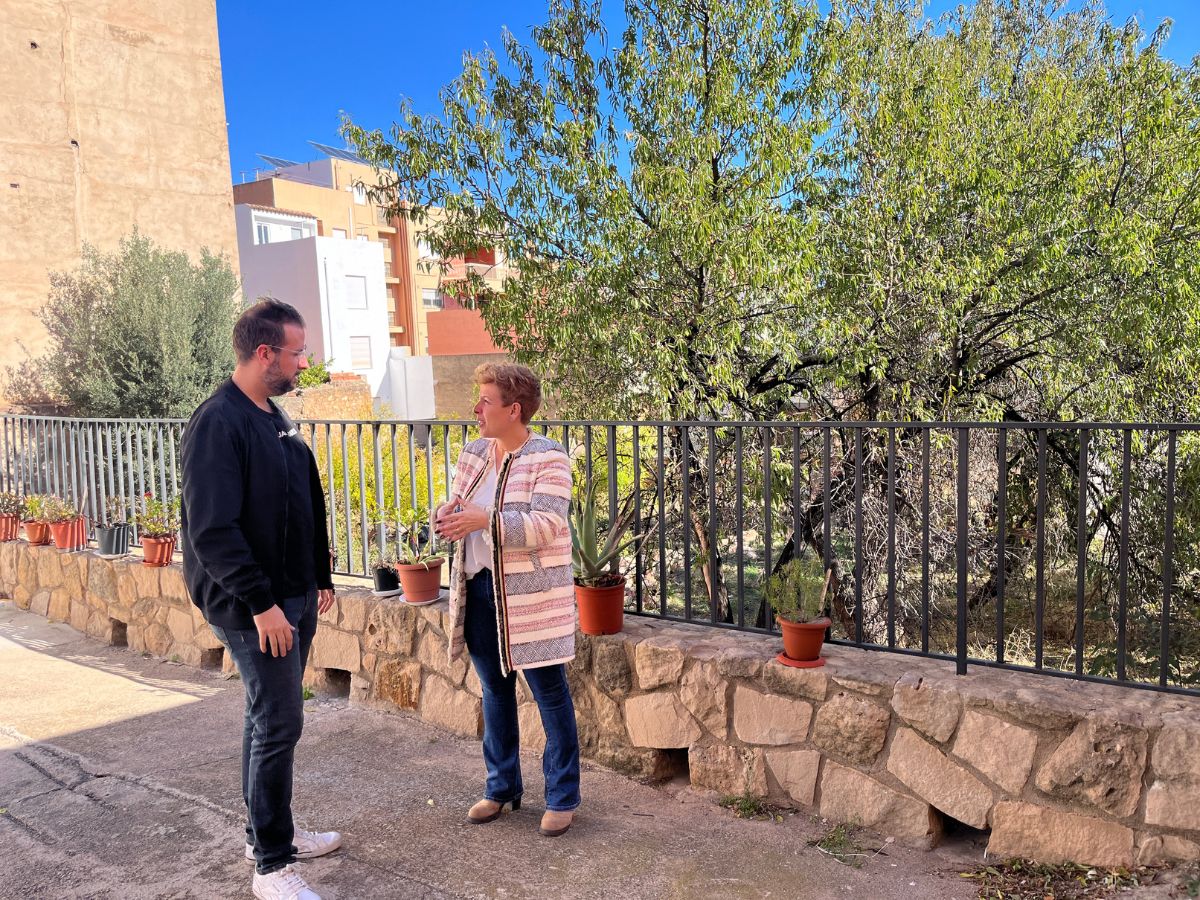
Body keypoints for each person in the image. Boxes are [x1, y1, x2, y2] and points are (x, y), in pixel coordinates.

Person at [181, 299, 341, 900]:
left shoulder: (274, 415)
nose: (305, 362)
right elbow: (213, 531)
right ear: (265, 352)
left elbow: (303, 494)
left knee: (264, 715)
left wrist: (317, 572)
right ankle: (272, 865)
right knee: (280, 720)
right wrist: (262, 604)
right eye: (297, 352)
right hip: (253, 605)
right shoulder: (218, 423)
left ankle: (265, 835)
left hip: (293, 591)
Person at [435, 363, 580, 837]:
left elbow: (546, 526)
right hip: (478, 591)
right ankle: (501, 788)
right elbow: (460, 508)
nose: (476, 409)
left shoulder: (550, 458)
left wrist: (484, 520)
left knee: (549, 695)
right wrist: (447, 514)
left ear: (513, 410)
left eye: (485, 401)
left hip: (529, 599)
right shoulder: (473, 453)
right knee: (495, 695)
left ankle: (562, 796)